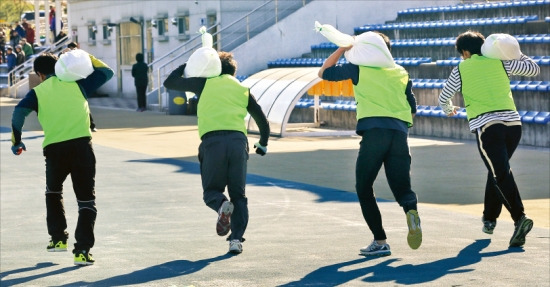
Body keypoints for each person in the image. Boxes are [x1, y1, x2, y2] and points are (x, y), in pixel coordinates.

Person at [318, 32, 421, 256]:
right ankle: (411, 211)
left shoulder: (358, 68)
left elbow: (324, 72)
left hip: (374, 133)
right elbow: (412, 108)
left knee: (364, 188)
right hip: (400, 134)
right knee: (402, 188)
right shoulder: (401, 73)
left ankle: (380, 240)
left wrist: (343, 48)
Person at [10, 52, 114, 265]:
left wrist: (16, 141)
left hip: (55, 150)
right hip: (82, 148)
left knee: (53, 192)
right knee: (86, 200)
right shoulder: (78, 84)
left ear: (39, 74)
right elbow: (107, 71)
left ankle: (58, 239)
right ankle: (82, 251)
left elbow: (18, 114)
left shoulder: (37, 92)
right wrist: (85, 55)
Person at [438, 31, 540, 247]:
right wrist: (514, 51)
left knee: (500, 172)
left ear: (465, 52)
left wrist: (448, 109)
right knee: (496, 171)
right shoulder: (501, 62)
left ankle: (519, 218)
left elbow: (444, 96)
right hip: (514, 126)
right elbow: (533, 69)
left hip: (488, 127)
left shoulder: (461, 69)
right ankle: (490, 218)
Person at [163, 51, 270, 254]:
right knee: (239, 195)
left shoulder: (203, 84)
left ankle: (221, 205)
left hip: (212, 142)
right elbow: (262, 121)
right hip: (238, 143)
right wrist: (263, 143)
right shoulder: (243, 89)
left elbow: (170, 82)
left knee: (211, 191)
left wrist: (190, 65)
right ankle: (236, 240)